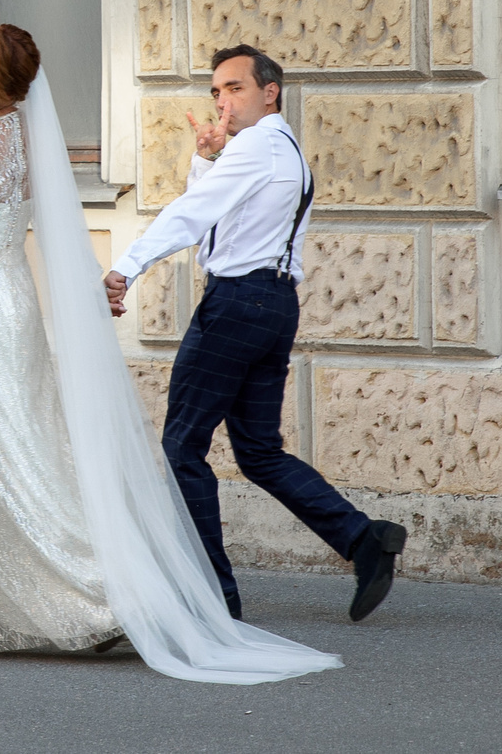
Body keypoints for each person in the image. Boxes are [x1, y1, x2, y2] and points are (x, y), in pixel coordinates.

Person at [0, 25, 338, 684]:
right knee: (21, 452)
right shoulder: (25, 140)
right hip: (11, 305)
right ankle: (105, 589)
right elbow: (52, 227)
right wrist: (96, 284)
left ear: (3, 86)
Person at [103, 44, 407, 623]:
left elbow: (193, 215)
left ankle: (211, 595)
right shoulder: (281, 148)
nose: (222, 101)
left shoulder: (259, 144)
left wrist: (126, 268)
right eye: (216, 92)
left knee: (181, 445)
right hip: (273, 306)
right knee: (260, 451)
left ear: (270, 91)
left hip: (238, 304)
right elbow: (218, 214)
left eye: (234, 88)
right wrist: (208, 157)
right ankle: (364, 539)